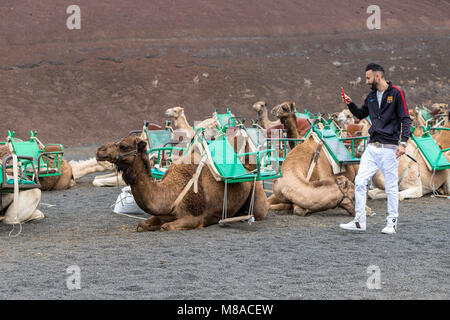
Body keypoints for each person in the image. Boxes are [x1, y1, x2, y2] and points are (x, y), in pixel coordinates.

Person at [340, 63, 412, 234]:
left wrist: (403, 143)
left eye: (368, 77)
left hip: (389, 148)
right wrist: (350, 104)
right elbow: (360, 114)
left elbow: (405, 119)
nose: (366, 81)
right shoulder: (371, 97)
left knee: (391, 186)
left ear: (378, 76)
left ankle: (392, 222)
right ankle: (359, 220)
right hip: (372, 147)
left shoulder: (396, 93)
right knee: (359, 181)